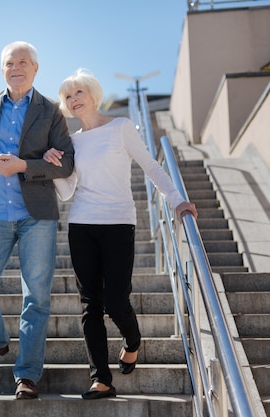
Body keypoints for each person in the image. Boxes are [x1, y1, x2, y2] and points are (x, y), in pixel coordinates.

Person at [44, 68, 198, 400]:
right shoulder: (70, 141)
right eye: (68, 97)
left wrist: (177, 201)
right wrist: (54, 166)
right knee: (90, 305)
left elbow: (151, 165)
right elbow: (68, 191)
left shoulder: (120, 127)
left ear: (94, 95)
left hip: (118, 223)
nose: (73, 100)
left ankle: (132, 340)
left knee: (116, 301)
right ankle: (101, 378)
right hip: (82, 225)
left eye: (79, 93)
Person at [0, 41, 75, 400]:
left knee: (36, 298)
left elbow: (68, 162)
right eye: (10, 62)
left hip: (36, 216)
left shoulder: (51, 111)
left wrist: (26, 165)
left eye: (23, 62)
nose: (16, 67)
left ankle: (27, 375)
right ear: (2, 70)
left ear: (35, 69)